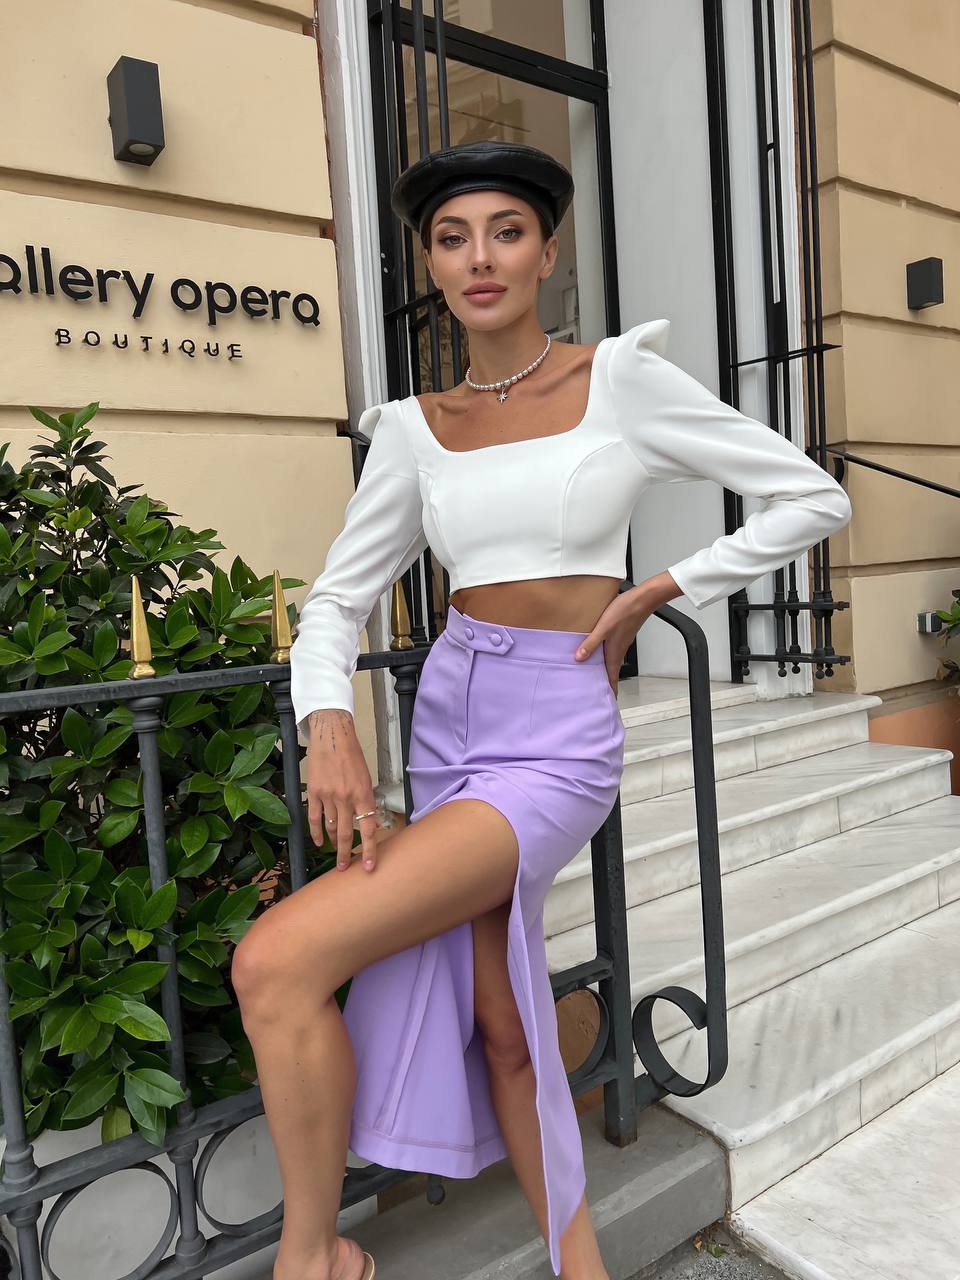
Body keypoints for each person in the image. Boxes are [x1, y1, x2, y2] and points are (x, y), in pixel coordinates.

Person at [231, 140, 853, 1280]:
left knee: (276, 960)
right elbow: (335, 602)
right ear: (430, 260)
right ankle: (579, 1263)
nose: (480, 257)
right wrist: (329, 719)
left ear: (548, 253)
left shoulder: (619, 379)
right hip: (449, 719)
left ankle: (311, 1256)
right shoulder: (415, 428)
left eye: (505, 232)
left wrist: (664, 587)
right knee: (505, 1014)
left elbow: (810, 494)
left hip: (555, 733)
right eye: (452, 237)